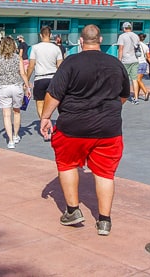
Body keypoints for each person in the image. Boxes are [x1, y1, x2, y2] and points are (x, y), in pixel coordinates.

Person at [39, 24, 129, 236]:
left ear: (81, 41)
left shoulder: (71, 62)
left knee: (67, 164)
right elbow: (124, 94)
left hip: (73, 126)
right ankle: (104, 220)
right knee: (106, 173)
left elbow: (54, 94)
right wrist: (107, 110)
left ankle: (73, 210)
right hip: (109, 128)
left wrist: (45, 117)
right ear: (101, 40)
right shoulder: (115, 64)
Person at [0, 36, 31, 148]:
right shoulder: (18, 58)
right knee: (17, 112)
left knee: (6, 115)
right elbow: (23, 74)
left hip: (4, 87)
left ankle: (10, 140)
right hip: (17, 87)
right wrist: (27, 87)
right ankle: (16, 135)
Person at [26, 25, 63, 118]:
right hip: (53, 79)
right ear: (50, 35)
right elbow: (60, 67)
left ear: (40, 35)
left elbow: (31, 66)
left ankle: (44, 122)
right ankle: (54, 122)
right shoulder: (56, 48)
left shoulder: (35, 48)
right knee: (54, 103)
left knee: (40, 103)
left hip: (40, 78)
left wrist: (26, 80)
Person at [116, 21, 141, 103]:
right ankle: (136, 98)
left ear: (123, 28)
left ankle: (121, 95)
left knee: (122, 79)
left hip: (125, 60)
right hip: (135, 59)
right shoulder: (136, 36)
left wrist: (119, 59)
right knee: (134, 79)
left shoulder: (122, 36)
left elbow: (120, 49)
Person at [135, 33, 150, 100]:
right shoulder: (146, 46)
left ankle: (146, 92)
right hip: (144, 63)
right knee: (139, 80)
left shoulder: (136, 45)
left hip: (138, 63)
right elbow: (148, 57)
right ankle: (136, 95)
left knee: (138, 80)